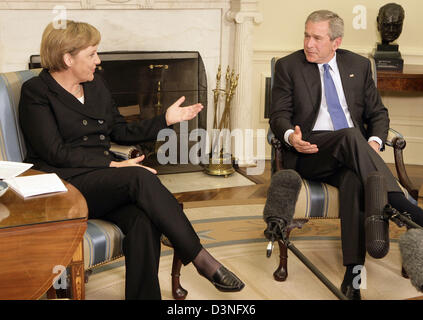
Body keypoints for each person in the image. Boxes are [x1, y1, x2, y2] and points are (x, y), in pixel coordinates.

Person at [19, 20, 244, 300]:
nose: (98, 61)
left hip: (99, 184)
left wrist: (165, 119)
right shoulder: (37, 93)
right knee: (140, 176)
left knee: (143, 221)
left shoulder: (96, 85)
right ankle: (199, 257)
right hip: (64, 186)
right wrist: (112, 165)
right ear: (67, 58)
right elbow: (55, 152)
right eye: (91, 54)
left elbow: (121, 130)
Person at [269, 10, 423, 300]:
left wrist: (375, 141)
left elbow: (378, 114)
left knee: (354, 180)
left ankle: (354, 277)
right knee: (352, 135)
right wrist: (292, 137)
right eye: (306, 35)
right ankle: (401, 205)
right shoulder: (289, 66)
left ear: (336, 42)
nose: (308, 43)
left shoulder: (359, 65)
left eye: (317, 38)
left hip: (353, 156)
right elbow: (278, 116)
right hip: (312, 152)